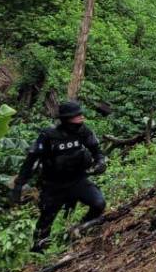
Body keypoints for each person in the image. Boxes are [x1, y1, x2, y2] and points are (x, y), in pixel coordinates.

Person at [12, 100, 107, 252]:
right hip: (53, 186)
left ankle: (81, 228)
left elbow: (96, 151)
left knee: (98, 204)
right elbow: (31, 161)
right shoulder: (48, 136)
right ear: (67, 118)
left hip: (77, 181)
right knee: (45, 221)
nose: (82, 117)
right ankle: (38, 251)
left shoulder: (83, 131)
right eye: (77, 115)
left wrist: (100, 162)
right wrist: (19, 184)